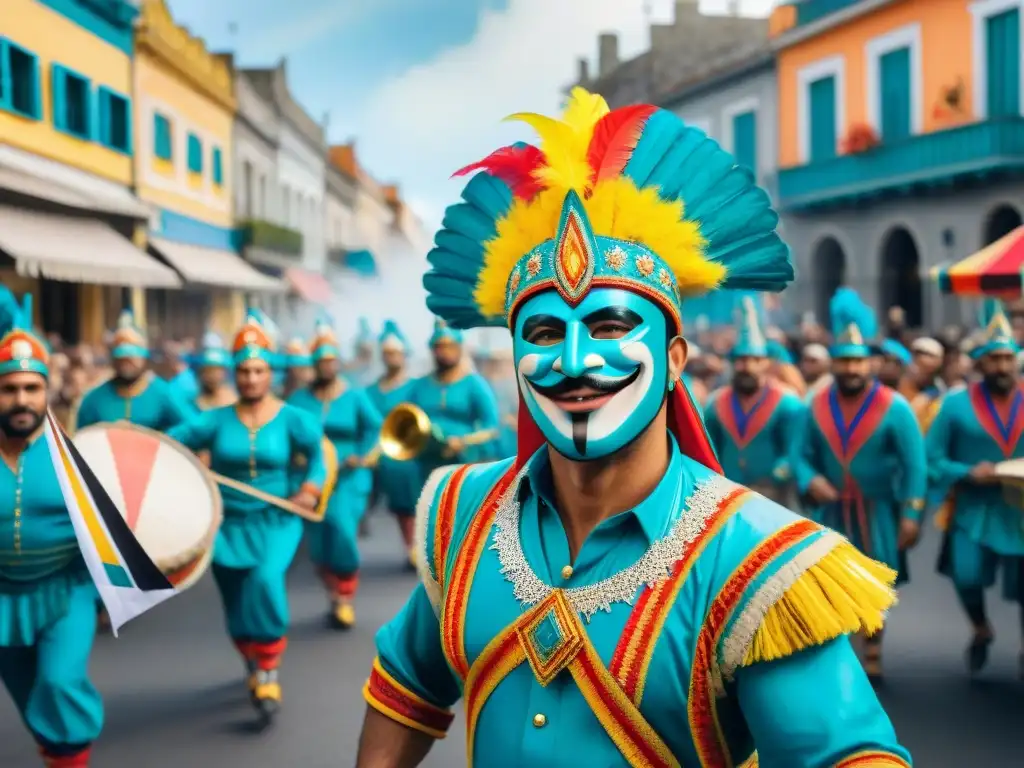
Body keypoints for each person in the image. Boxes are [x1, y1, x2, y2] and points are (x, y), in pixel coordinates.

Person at [356, 90, 910, 766]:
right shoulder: (465, 517)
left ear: (676, 358)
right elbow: (406, 683)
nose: (576, 360)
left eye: (613, 326)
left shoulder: (752, 563)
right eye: (544, 332)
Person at [168, 310, 328, 725]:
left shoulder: (294, 418)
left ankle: (269, 669)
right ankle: (251, 658)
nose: (251, 379)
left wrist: (310, 489)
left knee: (265, 580)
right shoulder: (215, 420)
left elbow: (319, 457)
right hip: (225, 526)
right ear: (233, 374)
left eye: (258, 370)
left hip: (277, 520)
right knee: (236, 600)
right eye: (243, 371)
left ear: (269, 372)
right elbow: (170, 443)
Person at [793, 288, 927, 681]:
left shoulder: (896, 407)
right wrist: (810, 478)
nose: (851, 369)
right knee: (831, 582)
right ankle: (841, 650)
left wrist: (913, 513)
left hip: (878, 507)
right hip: (830, 510)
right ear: (835, 365)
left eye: (858, 362)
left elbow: (915, 465)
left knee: (874, 580)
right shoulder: (813, 405)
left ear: (869, 364)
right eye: (844, 362)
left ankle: (873, 647)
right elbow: (799, 453)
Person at [0, 295, 101, 767]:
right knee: (30, 700)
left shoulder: (77, 456)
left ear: (47, 391)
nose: (21, 399)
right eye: (10, 388)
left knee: (59, 683)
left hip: (67, 591)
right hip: (3, 599)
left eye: (32, 388)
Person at [926, 300, 1024, 677]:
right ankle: (981, 627)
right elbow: (931, 459)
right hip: (974, 507)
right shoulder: (954, 405)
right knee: (966, 576)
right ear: (980, 362)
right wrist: (967, 471)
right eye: (993, 358)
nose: (1001, 366)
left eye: (1007, 358)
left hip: (1020, 508)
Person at [288, 319, 382, 629]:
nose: (326, 366)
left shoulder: (354, 396)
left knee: (342, 532)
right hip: (311, 478)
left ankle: (345, 595)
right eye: (320, 361)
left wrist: (363, 456)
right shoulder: (299, 400)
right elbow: (284, 431)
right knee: (317, 541)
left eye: (331, 360)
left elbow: (375, 429)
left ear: (338, 362)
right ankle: (333, 592)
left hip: (347, 479)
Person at [704, 299, 806, 505]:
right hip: (727, 498)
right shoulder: (715, 402)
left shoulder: (787, 402)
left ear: (766, 362)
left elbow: (795, 450)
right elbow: (708, 449)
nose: (747, 366)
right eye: (741, 360)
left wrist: (777, 474)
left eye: (755, 360)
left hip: (774, 497)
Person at [402, 318, 501, 491]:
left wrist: (464, 441)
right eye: (439, 347)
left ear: (459, 349)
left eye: (450, 346)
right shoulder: (419, 386)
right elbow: (405, 418)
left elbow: (491, 427)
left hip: (462, 463)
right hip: (426, 464)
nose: (445, 352)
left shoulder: (474, 384)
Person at [73, 310, 192, 433]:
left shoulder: (164, 394)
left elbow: (190, 430)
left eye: (133, 353)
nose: (126, 360)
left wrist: (156, 439)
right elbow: (81, 441)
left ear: (144, 356)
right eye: (120, 354)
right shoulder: (93, 400)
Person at [366, 321, 421, 565]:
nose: (392, 358)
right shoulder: (371, 391)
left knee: (418, 503)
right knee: (400, 505)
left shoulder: (416, 387)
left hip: (414, 452)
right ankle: (410, 546)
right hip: (385, 456)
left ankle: (422, 548)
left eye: (395, 353)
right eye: (387, 353)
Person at [194, 331, 237, 411]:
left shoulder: (230, 400)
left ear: (225, 372)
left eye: (215, 371)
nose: (211, 376)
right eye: (207, 371)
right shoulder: (197, 399)